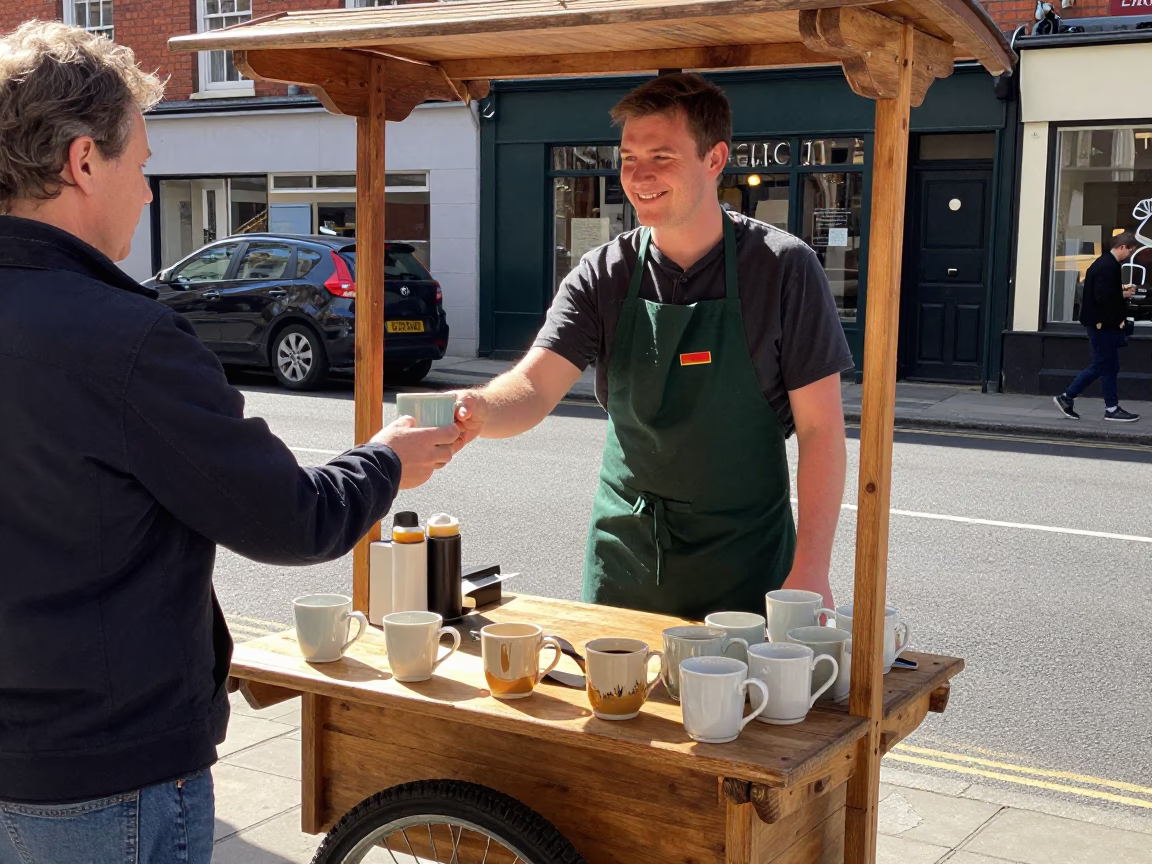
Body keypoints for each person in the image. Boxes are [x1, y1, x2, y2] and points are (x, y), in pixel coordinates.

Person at [0, 21, 460, 862]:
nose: (146, 193)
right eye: (139, 167)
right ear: (82, 162)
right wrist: (387, 457)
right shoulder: (126, 339)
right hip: (109, 778)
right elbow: (292, 521)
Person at [455, 73, 853, 620]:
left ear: (714, 160)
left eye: (661, 156)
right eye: (627, 158)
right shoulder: (603, 274)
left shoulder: (783, 269)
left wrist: (811, 568)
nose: (638, 176)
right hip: (626, 565)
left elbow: (821, 430)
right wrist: (474, 410)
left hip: (746, 569)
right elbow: (532, 386)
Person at [1054, 232, 1141, 423]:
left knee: (1110, 367)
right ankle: (1066, 397)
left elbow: (1103, 292)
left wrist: (1120, 290)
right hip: (1102, 326)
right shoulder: (1107, 266)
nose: (1130, 255)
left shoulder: (1105, 263)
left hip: (1103, 325)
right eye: (1130, 251)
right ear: (1122, 247)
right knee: (1100, 365)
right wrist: (1123, 296)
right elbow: (1103, 298)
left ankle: (1111, 408)